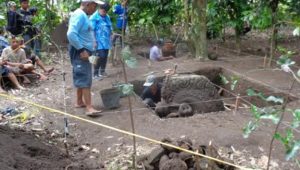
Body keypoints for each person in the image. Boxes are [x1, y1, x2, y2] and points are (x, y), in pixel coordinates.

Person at [67, 0, 104, 116]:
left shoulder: (82, 15)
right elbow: (71, 33)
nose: (95, 8)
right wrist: (81, 50)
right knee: (85, 78)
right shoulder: (79, 15)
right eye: (95, 5)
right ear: (88, 4)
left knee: (81, 75)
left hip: (84, 51)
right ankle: (89, 107)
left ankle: (79, 101)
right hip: (81, 52)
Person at [90, 2, 112, 80]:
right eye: (103, 11)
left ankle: (102, 71)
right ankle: (95, 74)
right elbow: (91, 30)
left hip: (106, 41)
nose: (104, 13)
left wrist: (111, 37)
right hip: (98, 41)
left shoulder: (107, 17)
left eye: (106, 12)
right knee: (99, 56)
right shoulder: (94, 17)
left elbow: (109, 27)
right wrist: (94, 41)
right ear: (99, 9)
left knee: (105, 57)